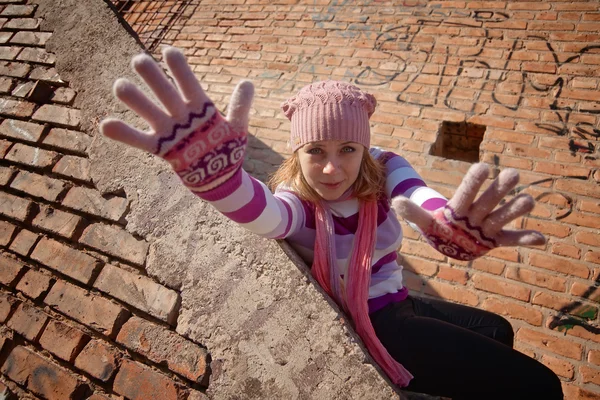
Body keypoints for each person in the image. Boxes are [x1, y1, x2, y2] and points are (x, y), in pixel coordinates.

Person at [101, 47, 564, 400]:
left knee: (498, 329)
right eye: (315, 151)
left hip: (400, 296)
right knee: (540, 388)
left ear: (364, 148)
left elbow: (418, 196)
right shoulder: (298, 203)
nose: (331, 169)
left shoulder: (384, 167)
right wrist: (222, 183)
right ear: (297, 154)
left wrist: (445, 222)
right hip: (379, 321)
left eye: (347, 149)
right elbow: (265, 214)